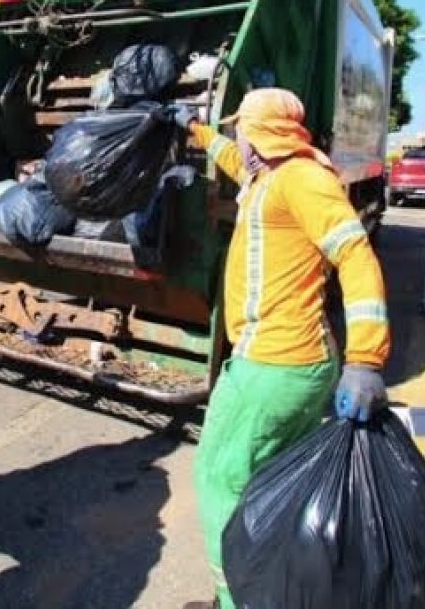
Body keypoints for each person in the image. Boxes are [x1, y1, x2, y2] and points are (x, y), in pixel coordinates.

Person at [171, 88, 392, 609]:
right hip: (289, 362)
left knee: (219, 479)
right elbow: (231, 157)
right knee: (272, 485)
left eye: (240, 129)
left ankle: (235, 599)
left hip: (273, 367)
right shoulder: (269, 174)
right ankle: (272, 590)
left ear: (260, 134)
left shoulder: (301, 179)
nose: (237, 139)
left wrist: (366, 358)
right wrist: (195, 131)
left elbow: (356, 256)